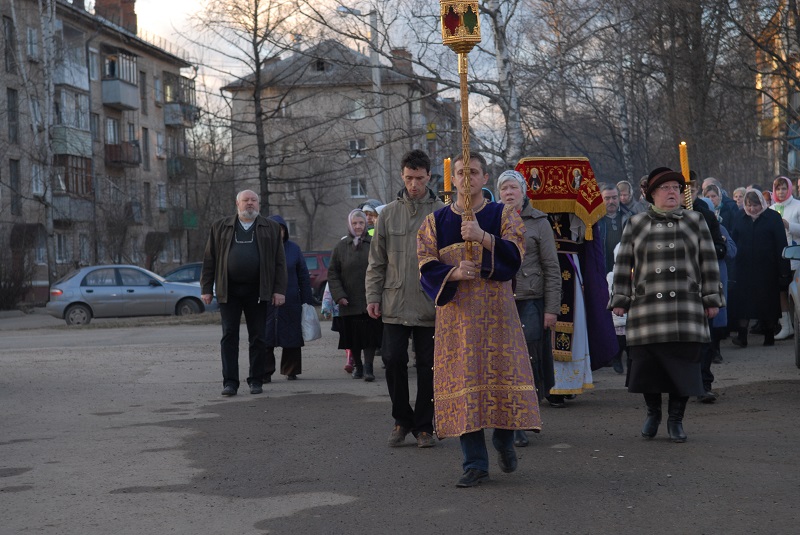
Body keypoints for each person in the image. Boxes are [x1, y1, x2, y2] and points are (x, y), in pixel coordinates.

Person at [418, 153, 541, 487]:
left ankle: (503, 439)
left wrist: (483, 236)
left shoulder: (504, 214)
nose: (466, 178)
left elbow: (515, 256)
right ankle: (474, 464)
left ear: (485, 178)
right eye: (460, 172)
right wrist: (455, 273)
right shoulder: (435, 221)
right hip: (457, 322)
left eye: (473, 172)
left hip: (498, 316)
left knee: (501, 379)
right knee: (464, 387)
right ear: (452, 178)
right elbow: (424, 264)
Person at [609, 167, 724, 443]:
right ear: (652, 194)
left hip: (686, 307)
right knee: (647, 366)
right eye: (666, 188)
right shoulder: (635, 223)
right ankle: (653, 413)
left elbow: (708, 262)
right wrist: (620, 299)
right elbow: (623, 264)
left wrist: (712, 298)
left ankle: (676, 419)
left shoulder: (695, 220)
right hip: (648, 307)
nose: (672, 192)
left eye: (676, 188)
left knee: (682, 367)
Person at [366, 149, 444, 448]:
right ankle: (401, 419)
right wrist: (373, 296)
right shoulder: (387, 214)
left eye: (420, 179)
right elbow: (377, 261)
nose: (414, 184)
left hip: (429, 301)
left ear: (429, 177)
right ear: (402, 175)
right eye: (409, 178)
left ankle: (424, 427)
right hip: (394, 300)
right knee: (392, 359)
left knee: (428, 366)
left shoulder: (440, 212)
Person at [200, 190, 287, 396]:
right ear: (237, 203)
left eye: (253, 200)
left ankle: (256, 380)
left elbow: (279, 262)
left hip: (258, 291)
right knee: (229, 336)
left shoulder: (271, 228)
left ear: (259, 204)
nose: (250, 203)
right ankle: (230, 383)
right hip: (228, 290)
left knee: (258, 337)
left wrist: (279, 290)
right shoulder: (220, 226)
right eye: (245, 200)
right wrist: (206, 288)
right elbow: (210, 259)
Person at [497, 170, 560, 448]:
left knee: (529, 361)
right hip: (500, 300)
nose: (508, 193)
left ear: (524, 191)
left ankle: (525, 417)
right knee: (504, 363)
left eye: (513, 187)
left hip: (531, 301)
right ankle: (510, 421)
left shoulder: (539, 222)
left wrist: (551, 309)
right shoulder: (491, 219)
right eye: (503, 189)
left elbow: (552, 268)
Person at [730, 189, 791, 347]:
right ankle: (742, 336)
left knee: (767, 302)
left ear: (762, 204)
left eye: (755, 205)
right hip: (743, 268)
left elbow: (781, 244)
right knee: (743, 303)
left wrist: (784, 271)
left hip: (767, 269)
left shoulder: (773, 217)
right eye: (749, 205)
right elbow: (733, 240)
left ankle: (769, 335)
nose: (752, 209)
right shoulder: (739, 217)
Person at [328, 209, 383, 381]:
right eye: (354, 223)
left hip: (369, 299)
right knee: (353, 338)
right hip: (348, 301)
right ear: (349, 225)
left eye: (361, 223)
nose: (358, 226)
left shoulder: (373, 244)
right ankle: (358, 367)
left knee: (369, 337)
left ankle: (368, 368)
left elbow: (383, 268)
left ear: (366, 224)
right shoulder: (341, 247)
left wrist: (378, 295)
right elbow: (333, 273)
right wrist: (339, 295)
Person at [264, 215, 313, 381]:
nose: (278, 233)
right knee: (266, 336)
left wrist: (306, 300)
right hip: (267, 300)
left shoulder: (294, 249)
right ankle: (265, 372)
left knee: (292, 336)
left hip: (291, 300)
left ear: (285, 231)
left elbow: (303, 276)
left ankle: (291, 369)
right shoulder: (262, 248)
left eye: (281, 229)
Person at [769, 176, 800, 340]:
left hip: (795, 256)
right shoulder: (772, 208)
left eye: (783, 188)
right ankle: (786, 326)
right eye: (778, 189)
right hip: (779, 257)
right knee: (781, 291)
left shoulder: (797, 206)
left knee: (796, 292)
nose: (781, 192)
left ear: (789, 189)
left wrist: (789, 225)